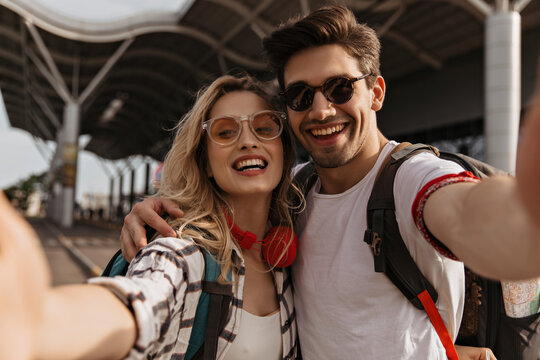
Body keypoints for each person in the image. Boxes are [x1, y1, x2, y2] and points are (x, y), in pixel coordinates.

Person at [120, 5, 540, 360]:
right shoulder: (293, 195)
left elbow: (469, 213)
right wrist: (162, 207)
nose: (321, 110)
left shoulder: (412, 179)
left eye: (340, 89)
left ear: (375, 93)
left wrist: (524, 221)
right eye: (300, 96)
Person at [0, 74, 300, 359]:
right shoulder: (182, 253)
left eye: (264, 128)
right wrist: (36, 324)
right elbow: (137, 305)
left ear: (284, 150)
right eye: (225, 132)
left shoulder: (287, 251)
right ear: (205, 162)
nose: (248, 141)